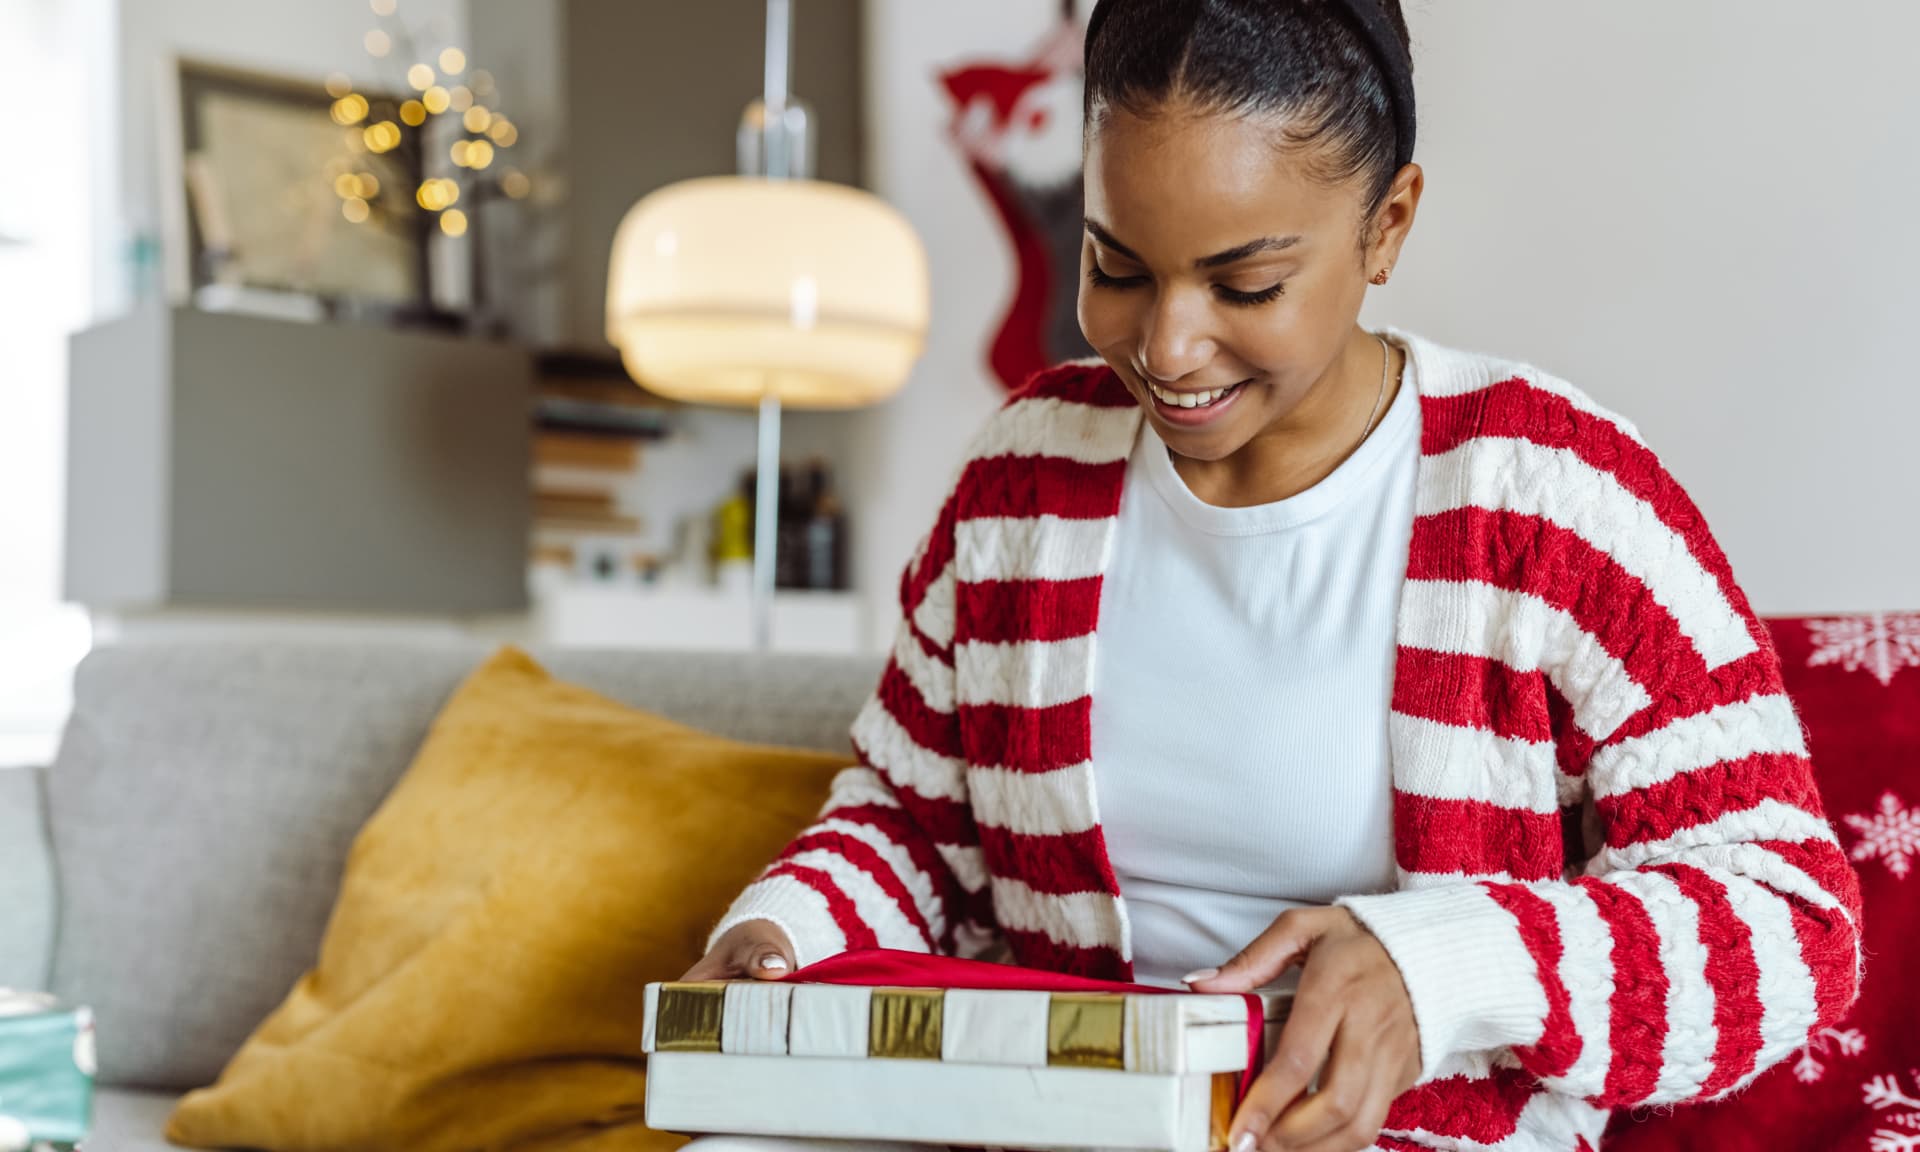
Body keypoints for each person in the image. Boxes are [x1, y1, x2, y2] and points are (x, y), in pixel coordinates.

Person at [679, 1, 1863, 1149]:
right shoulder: (1025, 477)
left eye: (1246, 286)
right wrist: (784, 936)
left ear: (1387, 223)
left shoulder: (1548, 500)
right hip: (1035, 1122)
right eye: (1118, 267)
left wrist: (1446, 965)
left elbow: (1792, 922)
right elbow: (912, 828)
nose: (1167, 347)